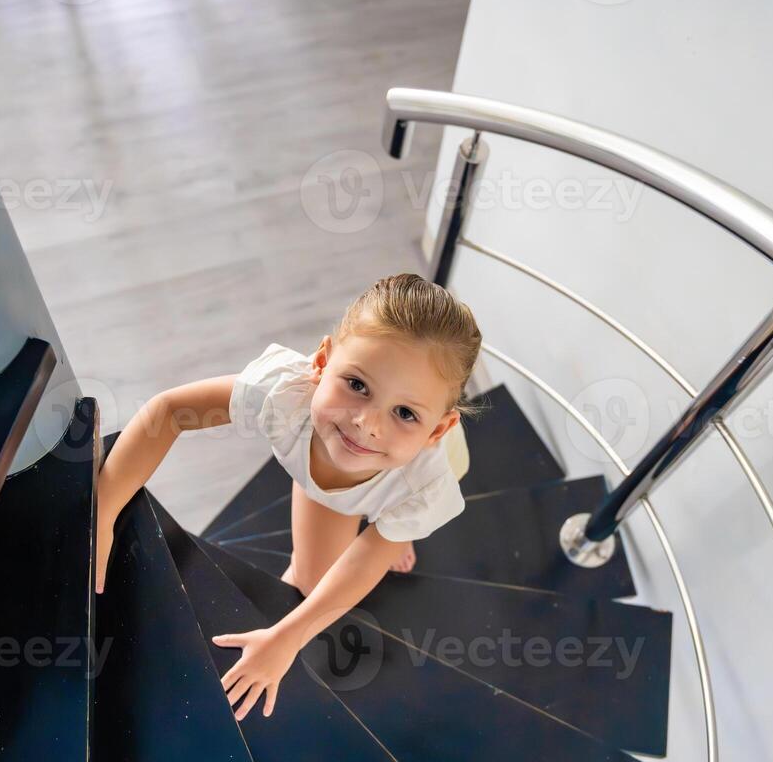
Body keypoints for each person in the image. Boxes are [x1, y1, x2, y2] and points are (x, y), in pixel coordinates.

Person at [94, 273, 482, 720]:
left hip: (406, 479)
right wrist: (105, 509)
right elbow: (168, 413)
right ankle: (393, 525)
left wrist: (288, 637)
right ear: (322, 361)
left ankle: (398, 528)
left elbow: (367, 562)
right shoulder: (281, 396)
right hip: (340, 483)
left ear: (437, 429)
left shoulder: (424, 484)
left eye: (405, 412)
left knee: (394, 526)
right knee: (317, 580)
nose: (366, 424)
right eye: (357, 385)